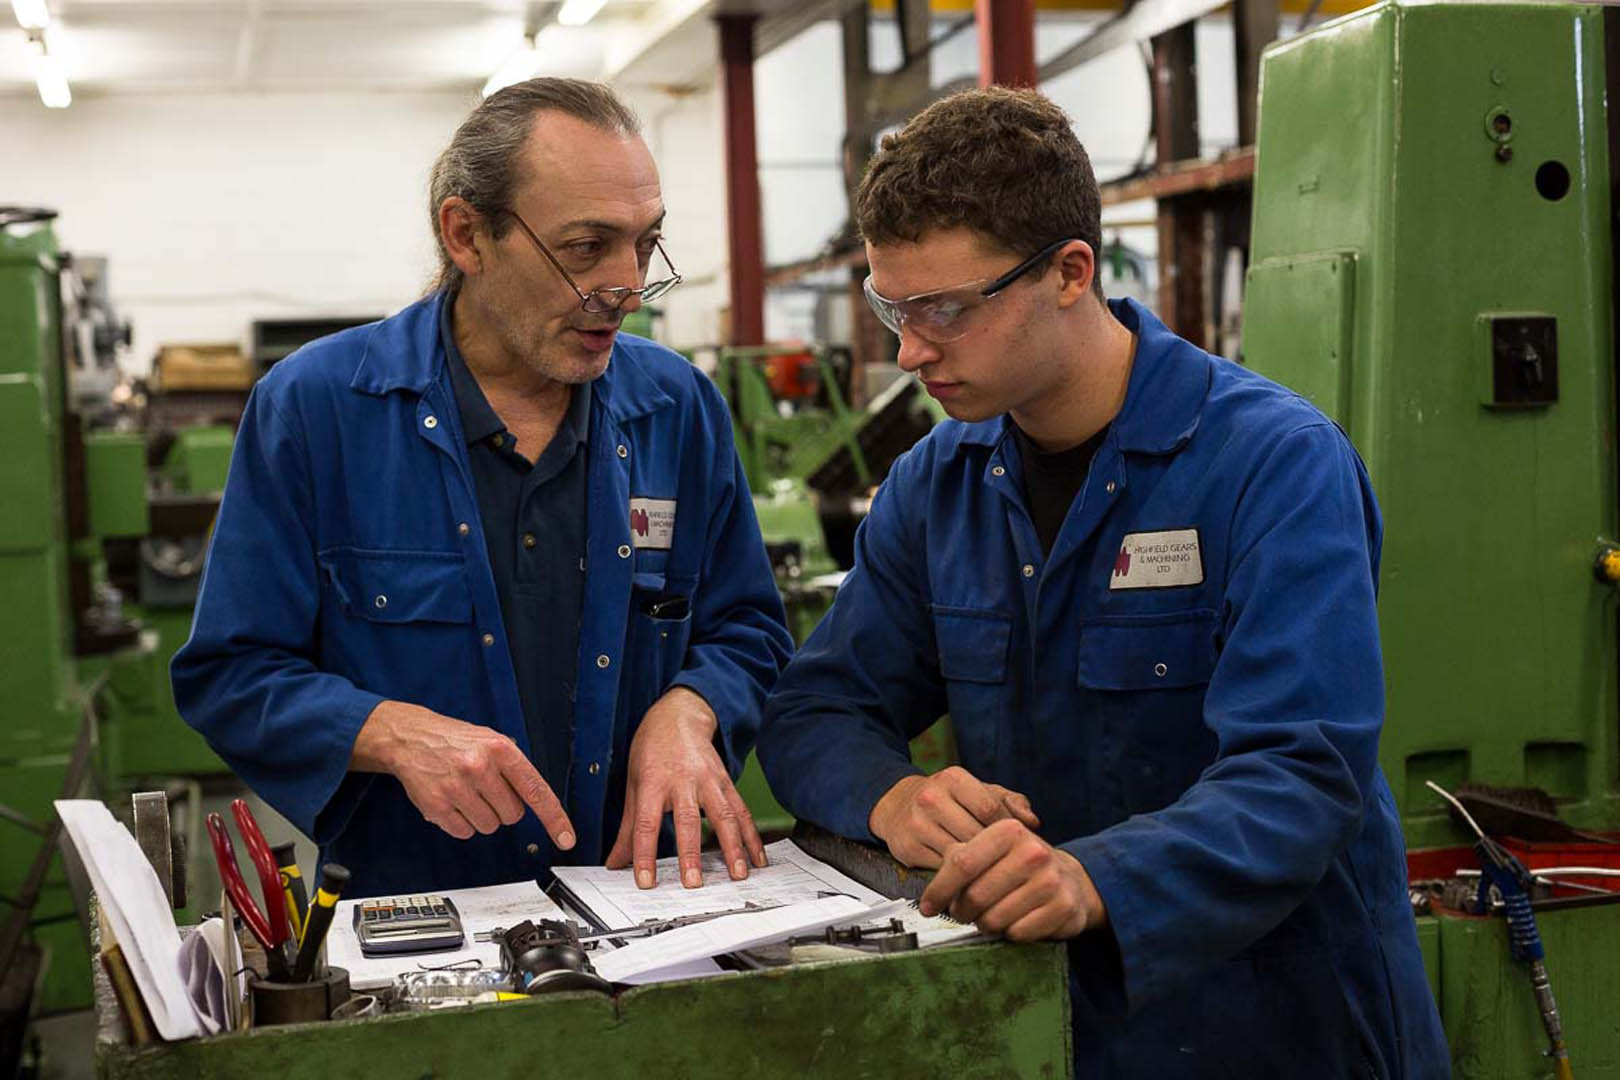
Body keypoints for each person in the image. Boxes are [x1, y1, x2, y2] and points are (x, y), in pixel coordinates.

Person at [757, 87, 1449, 1078]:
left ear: (1071, 271)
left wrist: (1097, 877)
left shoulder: (1274, 466)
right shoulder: (936, 485)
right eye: (891, 309)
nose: (910, 353)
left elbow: (1301, 773)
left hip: (1279, 1024)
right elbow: (814, 707)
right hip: (1058, 1027)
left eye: (945, 310)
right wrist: (891, 797)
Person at [173, 79, 794, 899]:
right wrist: (386, 731)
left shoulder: (675, 408)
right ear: (467, 235)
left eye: (644, 244)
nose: (627, 287)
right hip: (420, 921)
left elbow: (748, 627)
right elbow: (232, 673)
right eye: (585, 247)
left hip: (649, 908)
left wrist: (692, 705)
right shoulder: (317, 411)